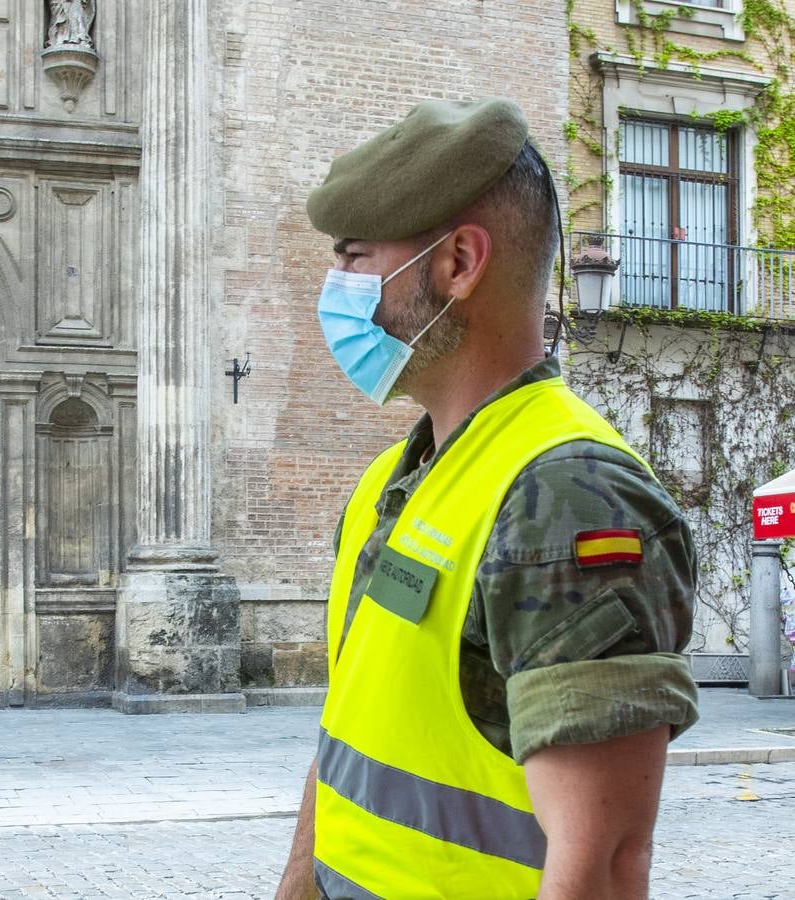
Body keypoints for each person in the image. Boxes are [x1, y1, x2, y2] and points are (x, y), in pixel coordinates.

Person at [275, 98, 699, 900]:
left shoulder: (573, 497)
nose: (336, 287)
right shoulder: (394, 479)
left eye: (356, 258)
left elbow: (602, 870)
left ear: (459, 263)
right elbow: (350, 737)